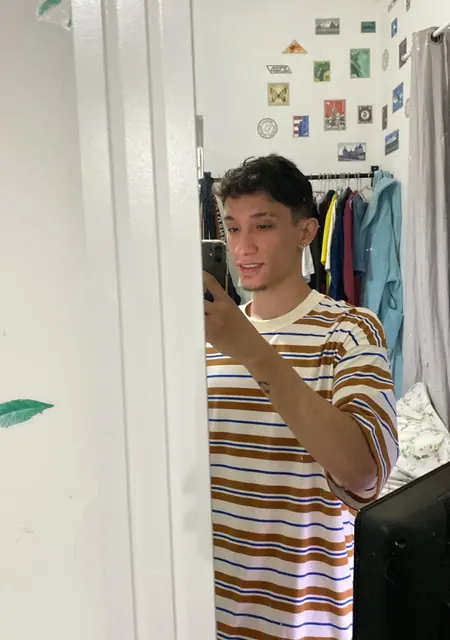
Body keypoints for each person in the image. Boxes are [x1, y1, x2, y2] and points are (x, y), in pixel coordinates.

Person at [204, 154, 398, 640]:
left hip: (305, 616)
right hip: (206, 608)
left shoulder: (350, 331)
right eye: (233, 228)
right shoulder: (203, 339)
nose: (243, 247)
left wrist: (250, 348)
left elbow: (365, 474)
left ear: (306, 232)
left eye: (263, 225)